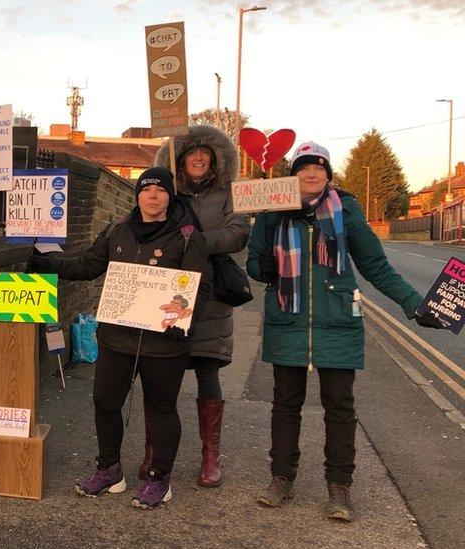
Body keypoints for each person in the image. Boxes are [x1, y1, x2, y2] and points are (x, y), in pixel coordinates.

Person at [247, 142, 444, 522]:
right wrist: (266, 268)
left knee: (340, 407)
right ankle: (280, 479)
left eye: (318, 168)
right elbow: (253, 264)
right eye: (303, 168)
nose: (311, 174)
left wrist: (414, 304)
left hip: (337, 319)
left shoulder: (347, 210)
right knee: (285, 405)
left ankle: (340, 488)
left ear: (327, 174)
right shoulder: (272, 212)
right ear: (293, 174)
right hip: (288, 319)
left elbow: (377, 267)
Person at [27, 167, 212, 509]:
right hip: (116, 337)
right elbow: (86, 264)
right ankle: (110, 469)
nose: (152, 195)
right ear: (137, 195)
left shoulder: (186, 236)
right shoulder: (118, 230)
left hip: (165, 343)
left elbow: (198, 287)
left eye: (160, 190)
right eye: (146, 189)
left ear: (170, 196)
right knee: (105, 402)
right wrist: (46, 262)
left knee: (161, 409)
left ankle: (159, 478)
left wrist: (183, 321)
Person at [154, 125, 248, 487]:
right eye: (190, 153)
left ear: (215, 159)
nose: (197, 158)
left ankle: (211, 457)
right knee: (163, 377)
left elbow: (239, 233)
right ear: (179, 159)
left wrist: (192, 242)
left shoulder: (229, 194)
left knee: (208, 373)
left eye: (204, 153)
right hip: (168, 292)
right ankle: (155, 451)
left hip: (211, 294)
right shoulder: (166, 192)